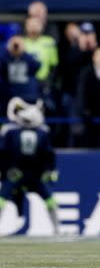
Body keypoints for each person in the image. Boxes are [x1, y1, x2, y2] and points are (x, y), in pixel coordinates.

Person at [0, 97, 59, 234]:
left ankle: (57, 229)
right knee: (1, 198)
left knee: (50, 200)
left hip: (35, 174)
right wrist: (5, 170)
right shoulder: (10, 131)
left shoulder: (42, 131)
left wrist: (48, 170)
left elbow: (48, 154)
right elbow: (3, 154)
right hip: (17, 172)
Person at [0, 36, 41, 115]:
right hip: (8, 94)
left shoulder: (27, 58)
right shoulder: (5, 57)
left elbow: (36, 66)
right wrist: (8, 52)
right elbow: (2, 66)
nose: (16, 46)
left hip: (26, 94)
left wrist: (23, 53)